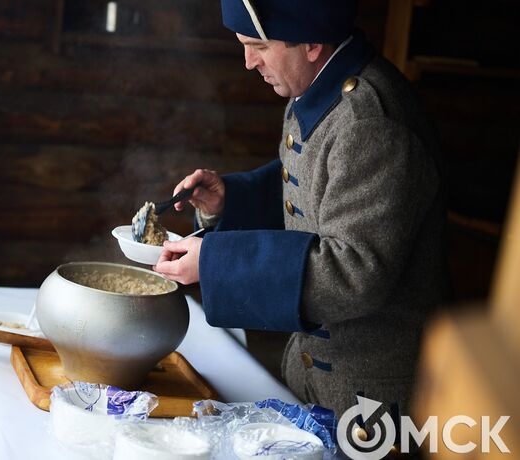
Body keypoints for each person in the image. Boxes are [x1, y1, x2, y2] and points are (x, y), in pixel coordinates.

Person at [154, 0, 446, 418]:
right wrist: (231, 201)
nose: (248, 62)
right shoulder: (318, 87)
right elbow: (317, 191)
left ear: (311, 43)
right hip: (316, 378)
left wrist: (218, 263)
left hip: (369, 401)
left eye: (259, 45)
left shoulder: (370, 123)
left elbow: (355, 271)